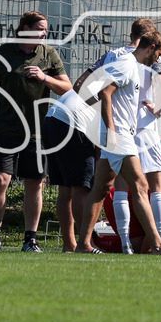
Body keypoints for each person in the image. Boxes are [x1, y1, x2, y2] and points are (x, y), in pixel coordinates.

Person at [0, 11, 72, 252]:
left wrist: (45, 78)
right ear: (25, 28)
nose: (45, 33)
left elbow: (68, 88)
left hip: (37, 132)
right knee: (0, 180)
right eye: (41, 28)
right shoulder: (4, 52)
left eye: (46, 29)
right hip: (6, 129)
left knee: (35, 184)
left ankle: (30, 239)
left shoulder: (49, 54)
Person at [75, 31, 161, 255]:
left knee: (101, 188)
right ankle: (158, 244)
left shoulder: (133, 66)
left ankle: (83, 244)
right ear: (151, 47)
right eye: (159, 53)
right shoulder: (126, 64)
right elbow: (104, 92)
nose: (158, 59)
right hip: (120, 137)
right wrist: (112, 130)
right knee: (142, 186)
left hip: (118, 136)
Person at [41, 89, 97, 252]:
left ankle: (69, 244)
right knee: (81, 188)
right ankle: (85, 244)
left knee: (65, 189)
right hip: (71, 122)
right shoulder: (120, 87)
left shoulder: (101, 76)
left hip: (52, 120)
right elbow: (103, 148)